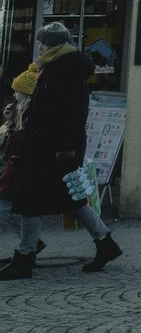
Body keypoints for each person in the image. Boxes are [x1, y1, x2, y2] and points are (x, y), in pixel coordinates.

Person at [0, 24, 122, 280]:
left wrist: (65, 149)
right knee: (70, 199)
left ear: (53, 46)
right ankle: (105, 243)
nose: (40, 48)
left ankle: (25, 256)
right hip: (50, 148)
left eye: (43, 44)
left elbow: (68, 115)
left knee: (30, 200)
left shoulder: (64, 71)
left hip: (51, 149)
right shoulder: (59, 68)